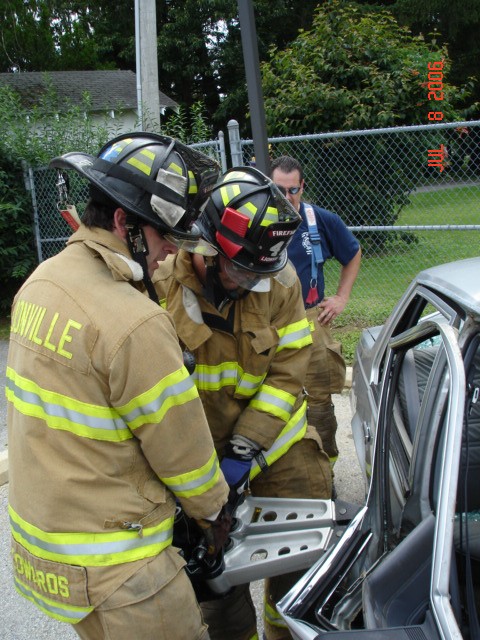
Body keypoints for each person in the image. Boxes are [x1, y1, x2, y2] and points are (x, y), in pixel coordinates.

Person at [6, 132, 230, 640]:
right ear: (125, 223)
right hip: (125, 573)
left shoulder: (40, 282)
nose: (170, 255)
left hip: (52, 560)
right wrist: (216, 511)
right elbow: (184, 454)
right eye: (165, 238)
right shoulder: (135, 322)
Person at [153, 166, 332, 640]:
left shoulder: (280, 280)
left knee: (302, 543)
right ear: (207, 249)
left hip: (275, 440)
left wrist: (246, 448)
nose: (252, 281)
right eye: (240, 269)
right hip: (200, 452)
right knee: (212, 572)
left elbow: (287, 372)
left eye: (259, 271)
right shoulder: (158, 288)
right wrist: (204, 474)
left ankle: (286, 627)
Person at [271, 156, 361, 470]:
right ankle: (285, 472)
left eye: (292, 189)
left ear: (302, 186)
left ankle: (327, 473)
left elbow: (353, 252)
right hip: (270, 328)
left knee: (320, 404)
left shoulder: (320, 220)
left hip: (312, 323)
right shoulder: (258, 221)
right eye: (279, 189)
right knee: (274, 404)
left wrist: (341, 298)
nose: (286, 197)